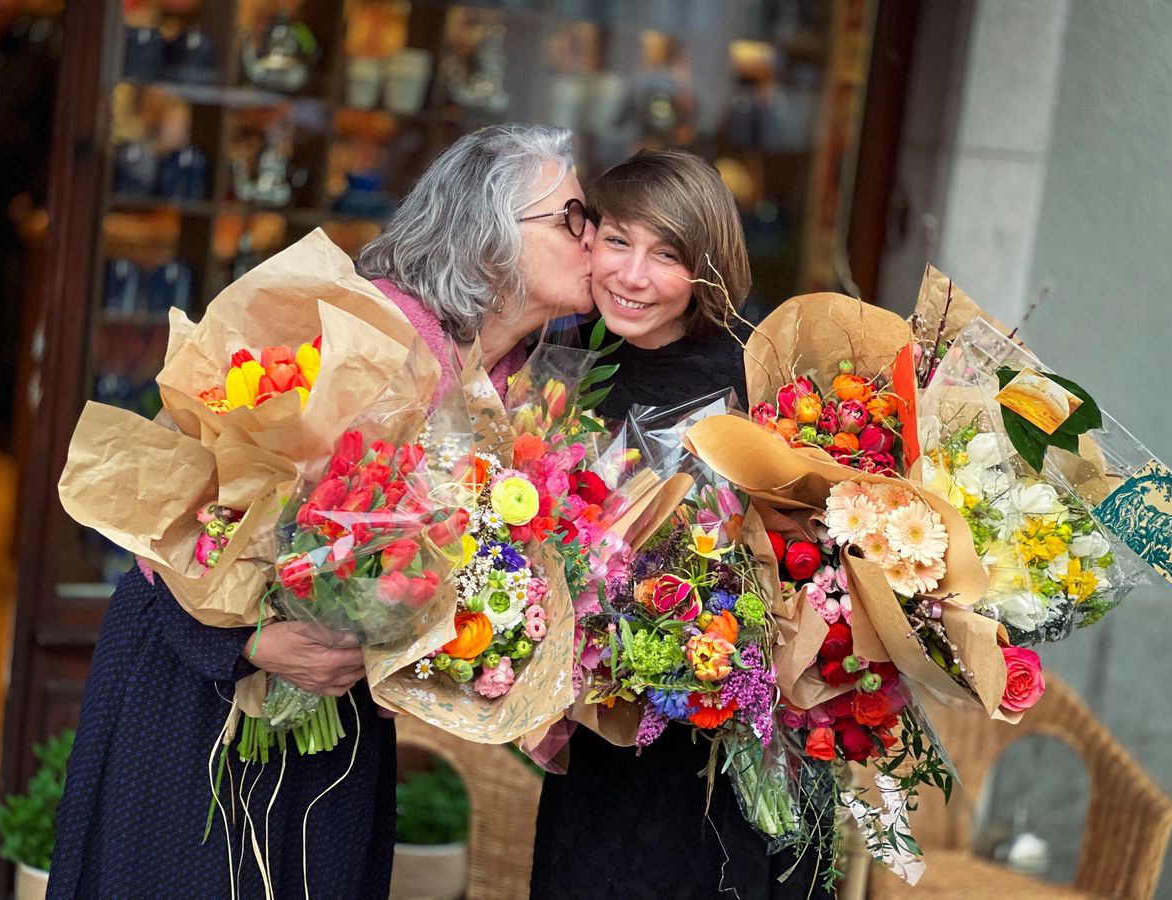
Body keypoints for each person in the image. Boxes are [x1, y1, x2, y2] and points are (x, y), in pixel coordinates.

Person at [50, 124, 593, 899]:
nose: (592, 236)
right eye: (571, 217)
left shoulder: (515, 382)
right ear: (490, 237)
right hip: (201, 690)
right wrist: (252, 641)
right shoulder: (361, 333)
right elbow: (186, 501)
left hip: (335, 718)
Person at [530, 149, 833, 899]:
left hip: (740, 741)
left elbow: (820, 558)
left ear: (708, 268)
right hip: (608, 743)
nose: (632, 276)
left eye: (666, 255)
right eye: (618, 240)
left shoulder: (761, 379)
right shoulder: (563, 361)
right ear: (588, 238)